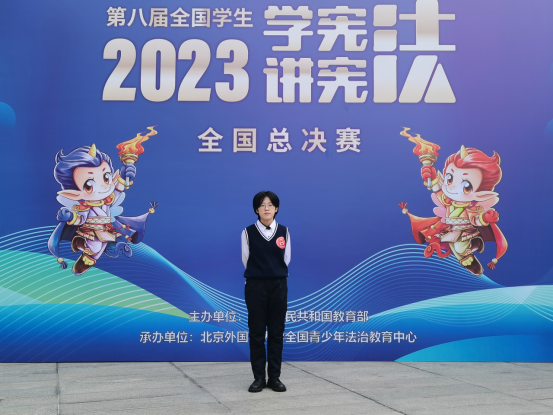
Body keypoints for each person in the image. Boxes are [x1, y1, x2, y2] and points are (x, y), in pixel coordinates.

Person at [241, 191, 290, 393]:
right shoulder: (248, 232)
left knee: (277, 332)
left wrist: (273, 274)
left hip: (278, 285)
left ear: (276, 208)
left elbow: (286, 259)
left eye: (270, 204)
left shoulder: (284, 231)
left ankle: (275, 378)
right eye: (262, 205)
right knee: (257, 333)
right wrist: (260, 275)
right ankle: (259, 378)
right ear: (256, 209)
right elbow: (246, 259)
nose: (266, 208)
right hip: (255, 286)